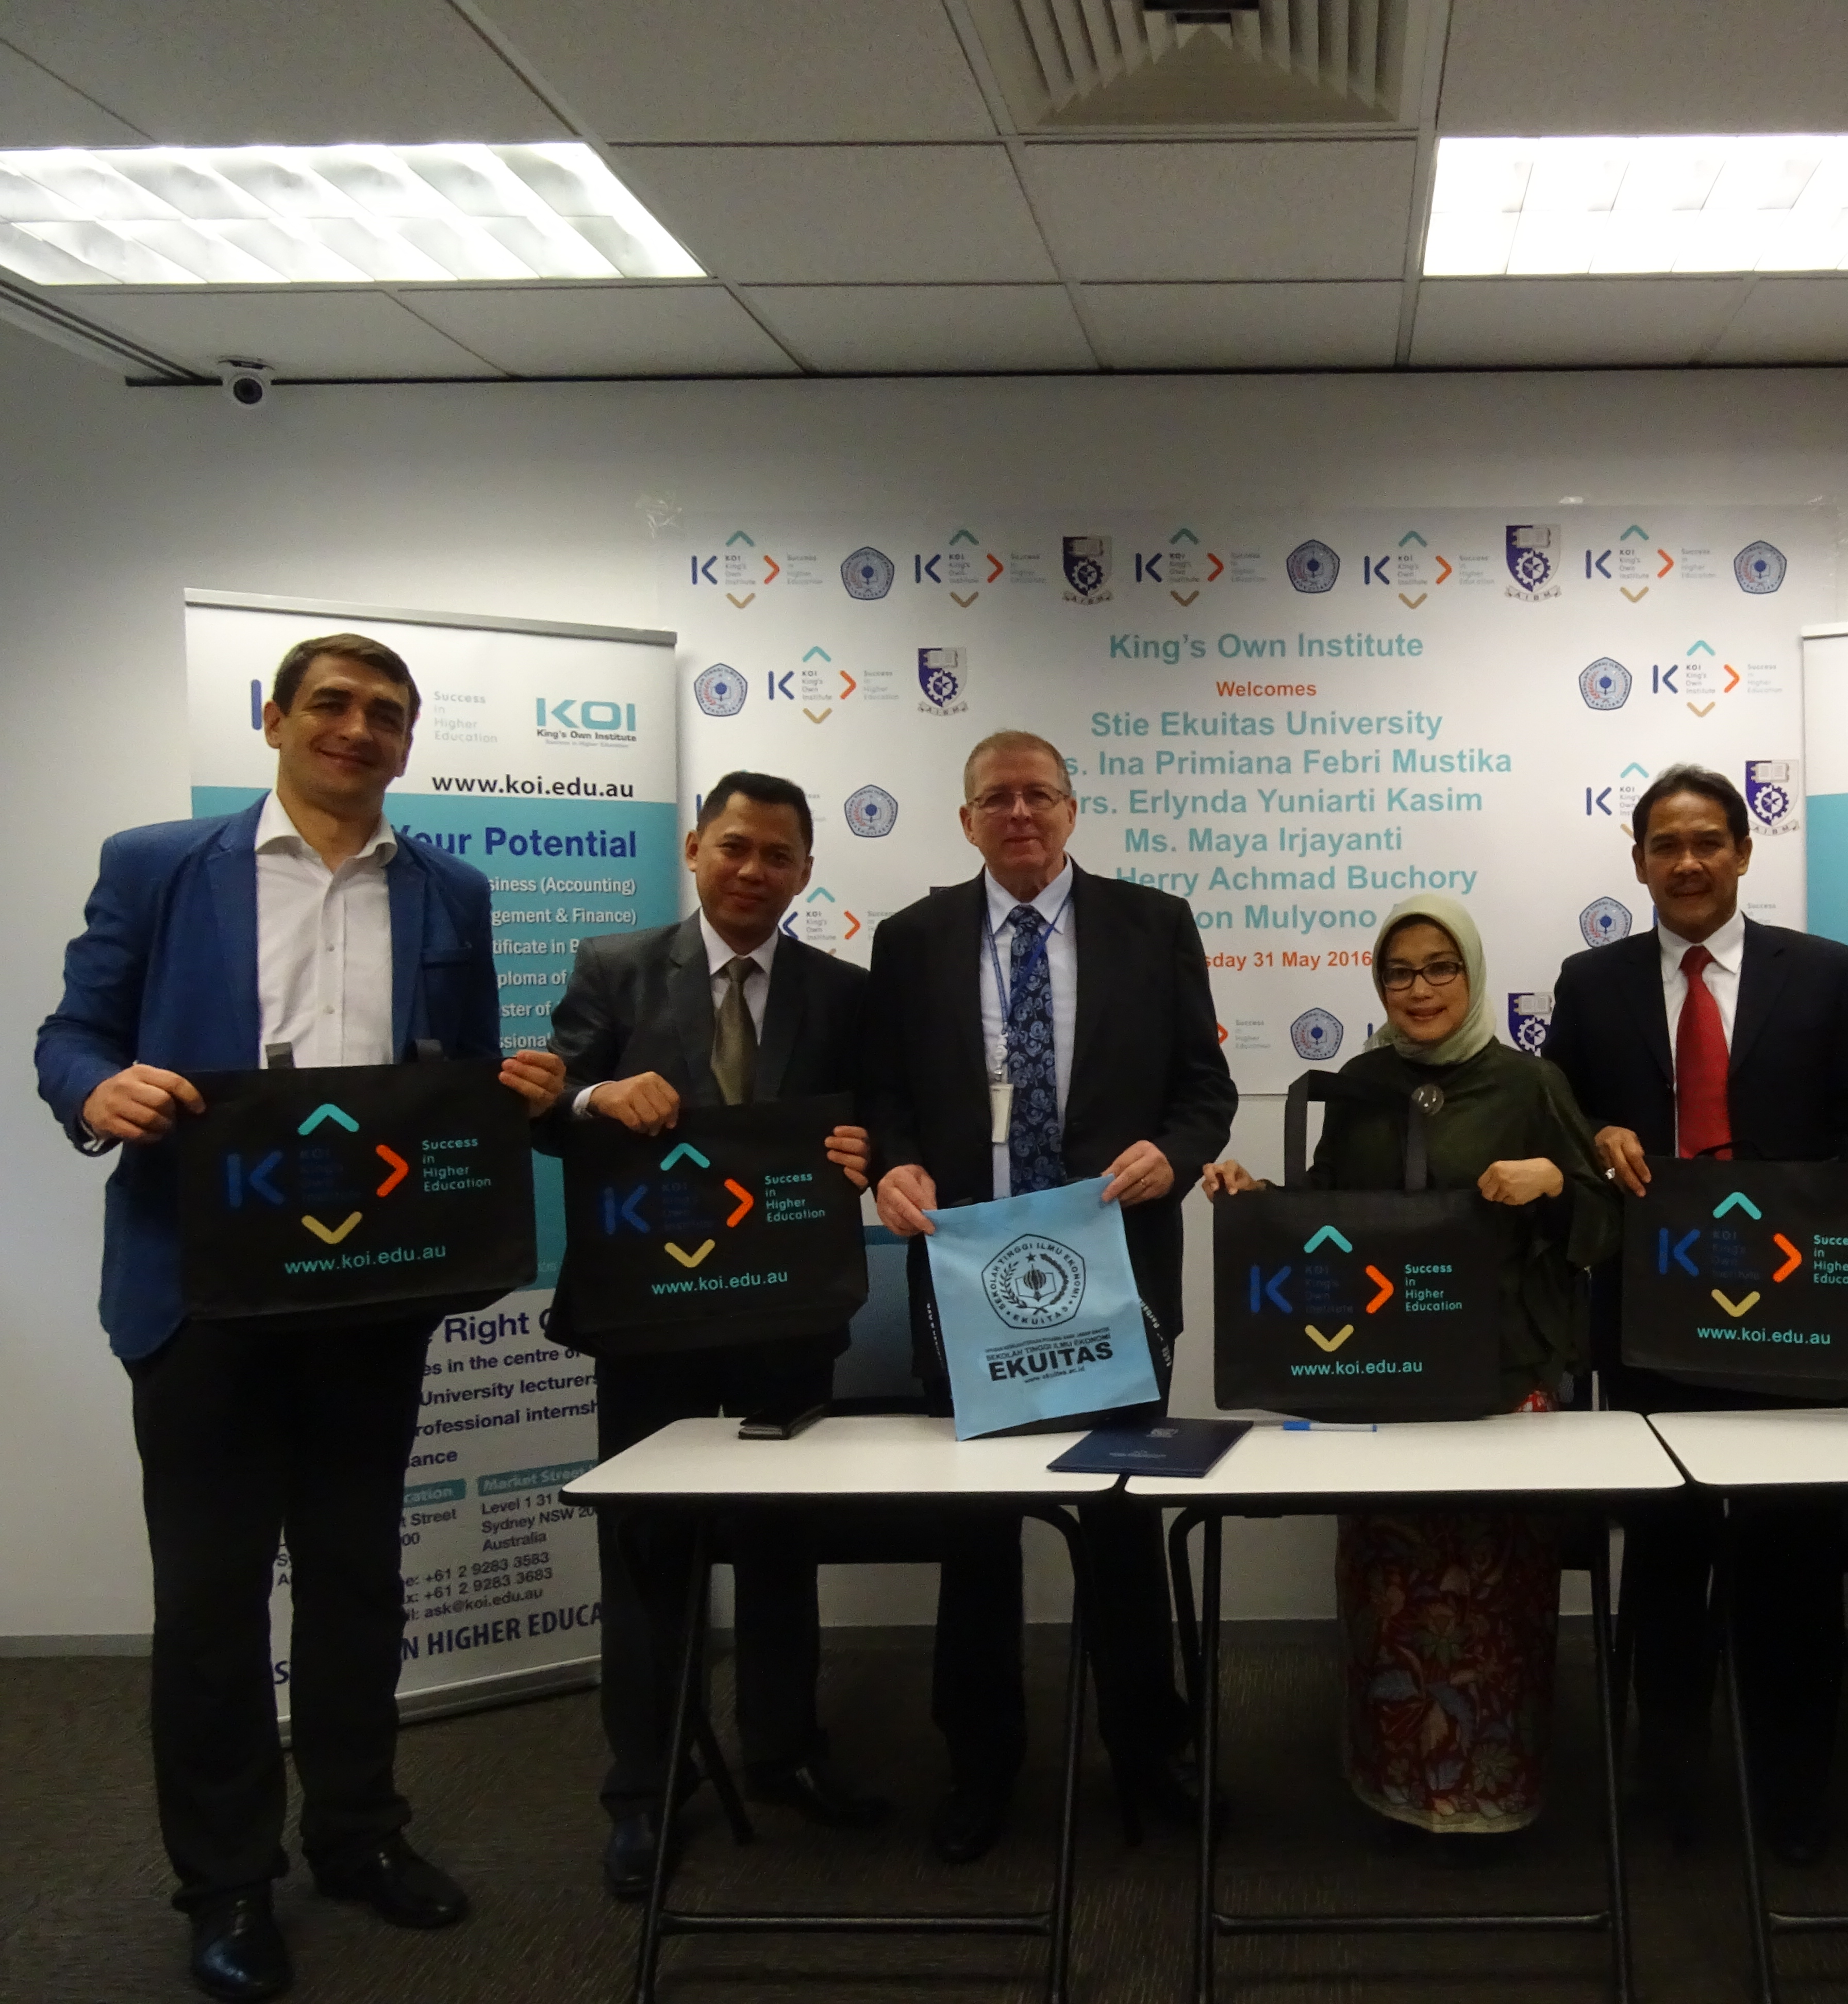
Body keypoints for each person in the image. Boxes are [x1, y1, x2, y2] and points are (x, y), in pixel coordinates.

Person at [34, 633, 566, 2003]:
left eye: (386, 713)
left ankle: (356, 1834)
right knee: (212, 1603)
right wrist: (96, 1091)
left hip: (369, 1292)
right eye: (331, 703)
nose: (357, 728)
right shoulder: (159, 865)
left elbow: (457, 1071)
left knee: (355, 1579)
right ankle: (224, 1883)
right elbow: (70, 1035)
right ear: (273, 719)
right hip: (201, 1292)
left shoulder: (451, 889)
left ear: (408, 741)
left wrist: (508, 1091)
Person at [861, 728, 1238, 1862]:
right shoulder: (912, 938)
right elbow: (885, 1095)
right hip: (968, 1273)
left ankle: (1149, 1750)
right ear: (965, 820)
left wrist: (1176, 1153)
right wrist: (894, 1164)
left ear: (1073, 809)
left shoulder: (1153, 924)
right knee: (975, 1537)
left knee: (1120, 1521)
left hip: (1114, 1271)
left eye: (1039, 795)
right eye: (996, 798)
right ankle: (979, 1764)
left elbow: (1205, 1089)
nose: (1019, 813)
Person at [535, 770, 886, 1900]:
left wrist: (867, 1152)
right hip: (654, 1316)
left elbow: (881, 1122)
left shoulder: (845, 992)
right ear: (694, 849)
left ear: (806, 872)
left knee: (782, 1544)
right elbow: (546, 1107)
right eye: (735, 847)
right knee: (650, 1554)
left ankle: (783, 1751)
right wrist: (593, 1100)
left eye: (779, 856)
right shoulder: (616, 968)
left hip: (787, 1316)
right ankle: (647, 1788)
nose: (753, 871)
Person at [1203, 894, 1618, 1838]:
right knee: (1390, 1589)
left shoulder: (1530, 1084)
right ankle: (1392, 1781)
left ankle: (1495, 1793)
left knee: (1495, 1591)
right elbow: (1325, 1217)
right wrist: (1255, 1198)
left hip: (1503, 1378)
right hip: (1380, 1377)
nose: (1419, 989)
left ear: (1471, 973)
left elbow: (1606, 1226)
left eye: (1440, 968)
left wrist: (1556, 1182)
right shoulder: (1358, 1083)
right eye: (1399, 972)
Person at [1540, 764, 1848, 1860]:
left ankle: (1791, 1798)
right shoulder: (1591, 983)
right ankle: (1670, 1789)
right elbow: (1554, 1120)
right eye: (1665, 845)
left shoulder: (1823, 972)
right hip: (1654, 1307)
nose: (1686, 863)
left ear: (1742, 850)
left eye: (1706, 842)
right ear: (1638, 861)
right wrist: (1595, 1137)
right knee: (1666, 1554)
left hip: (1794, 1309)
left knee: (1792, 1558)